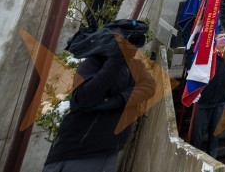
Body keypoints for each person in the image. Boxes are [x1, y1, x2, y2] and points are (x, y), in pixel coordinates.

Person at [44, 20, 156, 172]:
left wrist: (117, 100)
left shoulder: (135, 66)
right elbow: (84, 98)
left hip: (109, 149)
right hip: (79, 149)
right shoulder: (94, 63)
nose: (133, 47)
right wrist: (114, 62)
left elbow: (149, 87)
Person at [191, 30, 225, 158]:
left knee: (215, 133)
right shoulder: (207, 54)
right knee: (198, 132)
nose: (224, 38)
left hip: (221, 100)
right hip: (205, 99)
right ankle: (195, 157)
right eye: (221, 36)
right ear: (215, 39)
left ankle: (212, 157)